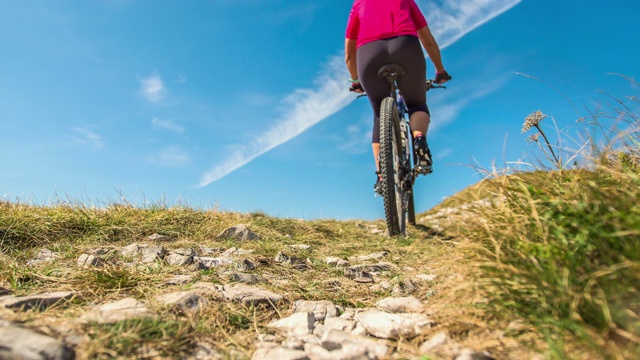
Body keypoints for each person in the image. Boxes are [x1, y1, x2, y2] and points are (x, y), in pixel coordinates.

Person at [344, 0, 450, 194]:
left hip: (369, 55)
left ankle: (382, 175)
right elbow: (428, 40)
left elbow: (349, 53)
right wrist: (440, 70)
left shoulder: (359, 4)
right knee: (417, 103)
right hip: (406, 47)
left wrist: (355, 81)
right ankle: (419, 140)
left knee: (379, 115)